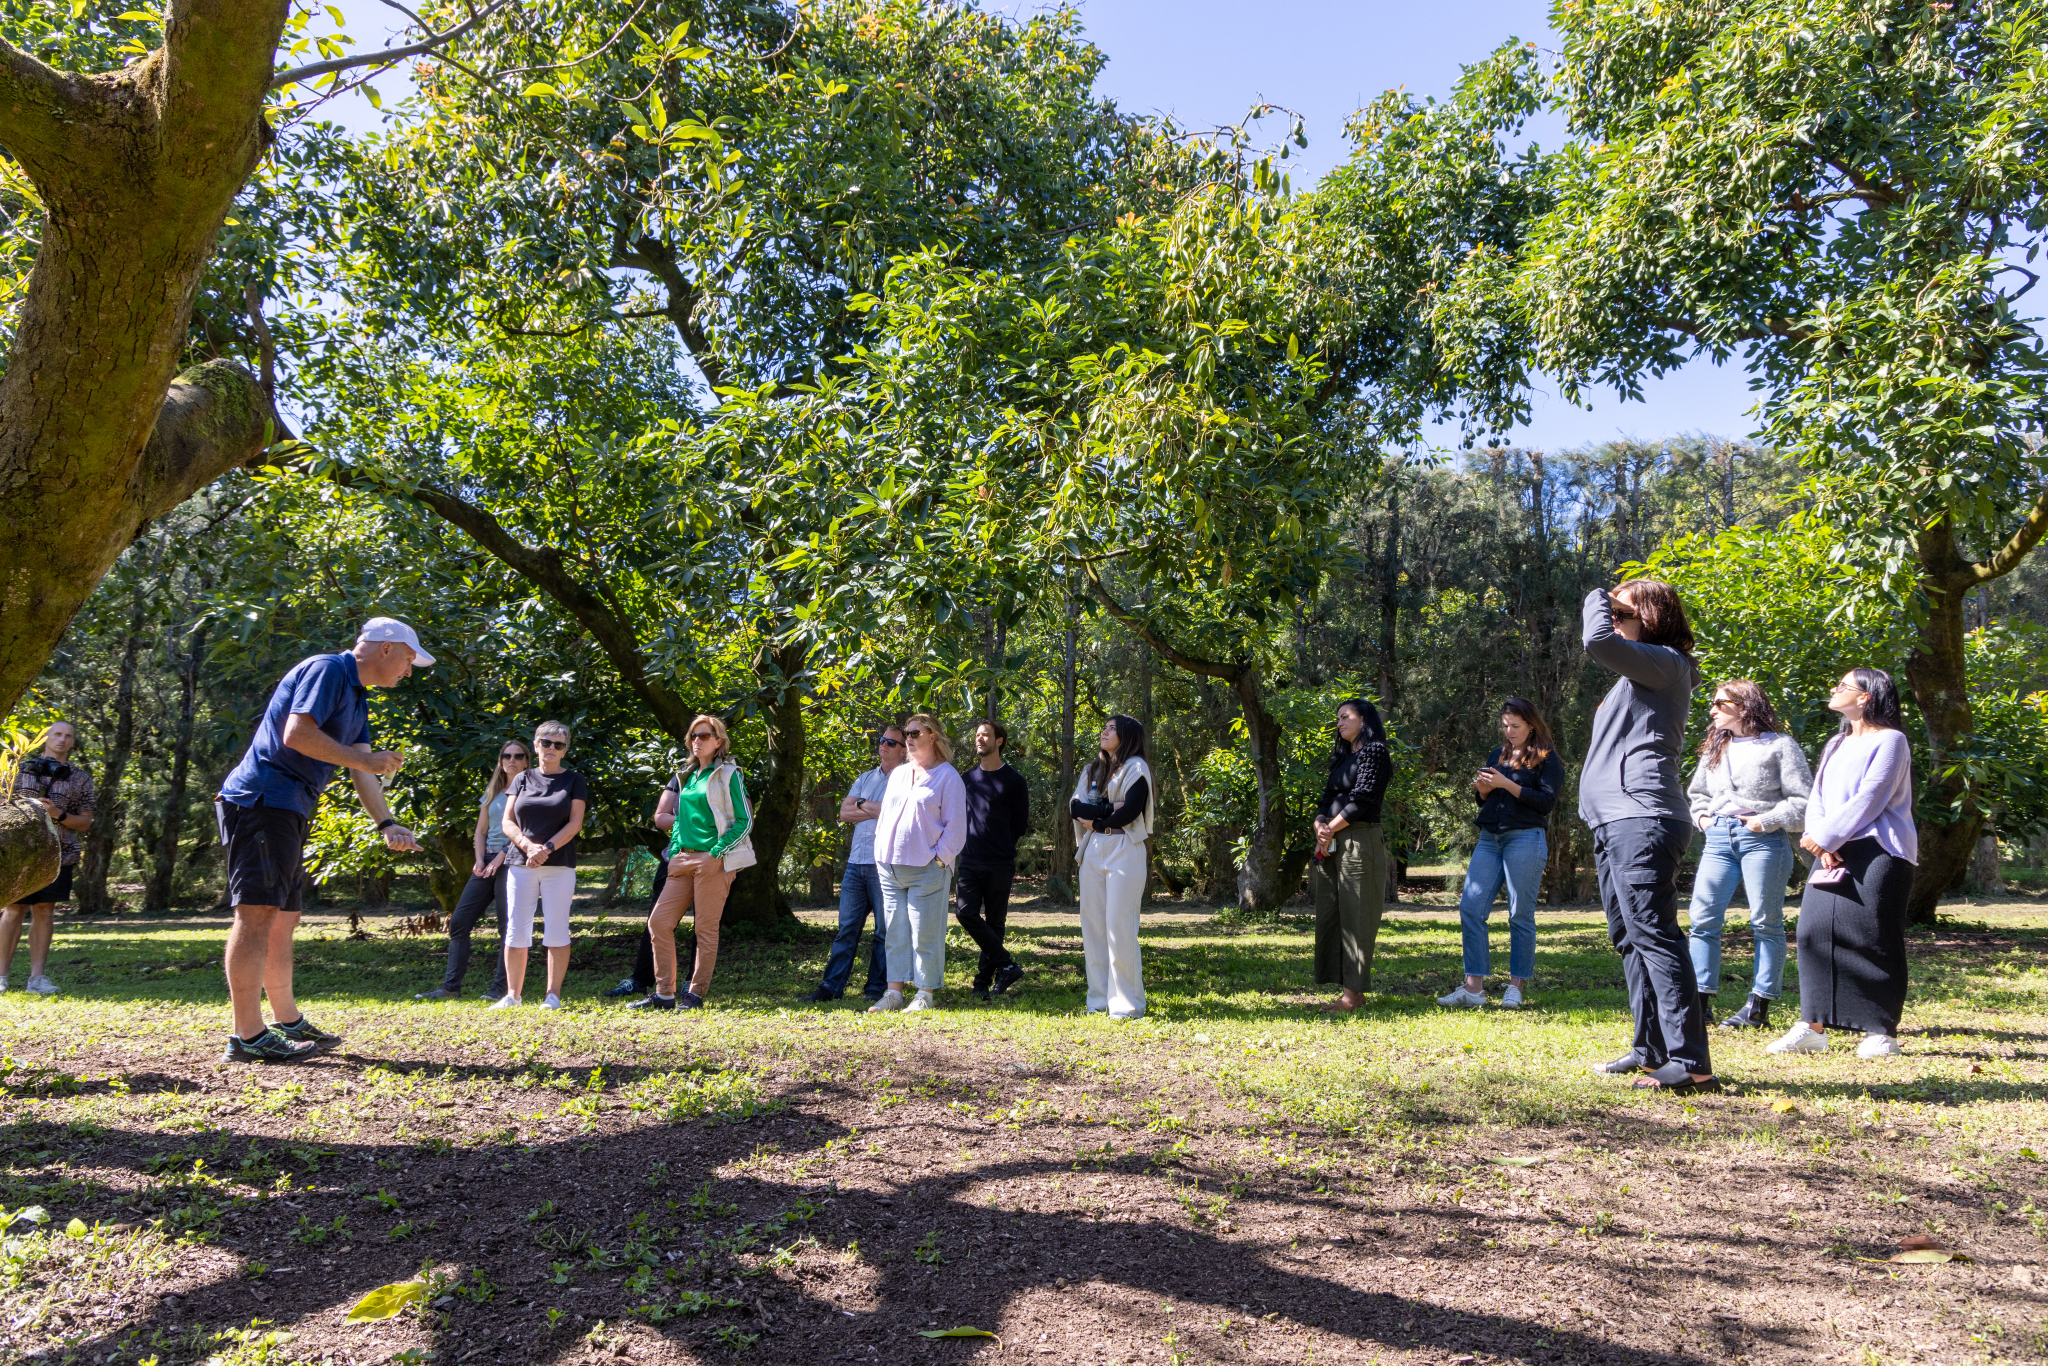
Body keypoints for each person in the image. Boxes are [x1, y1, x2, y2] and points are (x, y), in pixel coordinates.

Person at [216, 618, 428, 1062]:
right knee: (257, 913)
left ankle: (286, 1020)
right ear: (386, 649)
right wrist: (364, 758)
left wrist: (387, 823)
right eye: (409, 660)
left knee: (284, 917)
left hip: (290, 805)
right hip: (262, 800)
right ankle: (247, 1036)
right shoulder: (329, 670)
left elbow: (361, 767)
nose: (409, 671)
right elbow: (297, 735)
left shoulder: (357, 697)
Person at [1581, 581, 1716, 1092]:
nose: (1613, 617)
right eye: (1611, 609)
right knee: (1631, 938)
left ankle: (1690, 1061)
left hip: (1643, 817)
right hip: (1613, 820)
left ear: (1652, 616)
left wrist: (1595, 594)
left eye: (1622, 610)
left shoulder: (1667, 661)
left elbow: (1598, 643)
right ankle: (1650, 1049)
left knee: (1655, 934)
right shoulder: (1640, 672)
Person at [1769, 668, 1916, 1059]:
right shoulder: (1836, 742)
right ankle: (1812, 1026)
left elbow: (1873, 795)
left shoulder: (1892, 741)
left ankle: (1879, 1030)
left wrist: (1828, 837)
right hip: (1830, 849)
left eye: (1843, 686)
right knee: (1812, 932)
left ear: (1866, 697)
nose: (1834, 690)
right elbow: (1816, 795)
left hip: (1879, 849)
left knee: (1873, 937)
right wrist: (1820, 841)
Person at [1685, 680, 1812, 1030]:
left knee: (1765, 922)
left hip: (1763, 841)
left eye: (1719, 703)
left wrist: (1766, 821)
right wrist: (1704, 819)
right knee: (1702, 920)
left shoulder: (1781, 746)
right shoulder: (1715, 747)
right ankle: (1700, 1004)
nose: (1711, 709)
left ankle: (1758, 1008)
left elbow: (1804, 803)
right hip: (1717, 840)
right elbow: (1696, 793)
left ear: (1744, 707)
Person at [1438, 697, 1563, 1010]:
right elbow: (1486, 800)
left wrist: (1506, 783)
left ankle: (1515, 987)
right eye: (1505, 725)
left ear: (1531, 724)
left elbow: (1546, 803)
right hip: (1490, 838)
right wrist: (1482, 791)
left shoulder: (1547, 758)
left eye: (1515, 726)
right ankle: (1473, 989)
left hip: (1525, 838)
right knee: (1470, 907)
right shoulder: (1497, 754)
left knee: (1519, 913)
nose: (1509, 731)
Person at [634, 715, 754, 1011]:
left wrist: (717, 851)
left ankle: (695, 994)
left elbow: (745, 820)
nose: (697, 740)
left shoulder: (729, 774)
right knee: (659, 923)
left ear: (719, 742)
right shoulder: (686, 775)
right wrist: (675, 847)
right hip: (681, 858)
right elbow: (679, 818)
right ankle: (664, 994)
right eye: (693, 736)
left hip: (711, 860)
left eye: (704, 735)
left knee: (705, 929)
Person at [415, 738, 527, 1001]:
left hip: (512, 862)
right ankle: (450, 988)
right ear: (500, 761)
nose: (512, 760)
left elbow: (525, 831)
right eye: (507, 756)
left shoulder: (530, 790)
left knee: (507, 928)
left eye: (518, 756)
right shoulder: (493, 791)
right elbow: (480, 830)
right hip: (486, 860)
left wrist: (501, 857)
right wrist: (479, 859)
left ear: (526, 760)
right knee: (460, 922)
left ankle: (500, 990)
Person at [797, 725, 903, 1004]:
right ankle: (831, 987)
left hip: (885, 864)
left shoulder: (905, 779)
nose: (884, 745)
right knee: (846, 931)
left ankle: (875, 990)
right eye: (882, 740)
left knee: (884, 932)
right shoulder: (865, 777)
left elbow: (894, 812)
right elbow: (844, 813)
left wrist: (863, 805)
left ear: (903, 750)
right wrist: (874, 808)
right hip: (856, 864)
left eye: (892, 743)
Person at [870, 713, 966, 1013]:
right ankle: (893, 993)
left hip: (927, 869)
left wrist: (939, 860)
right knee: (894, 932)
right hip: (889, 867)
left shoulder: (948, 776)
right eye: (907, 734)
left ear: (932, 736)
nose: (908, 739)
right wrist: (879, 852)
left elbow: (956, 827)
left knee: (926, 933)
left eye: (914, 733)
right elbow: (886, 814)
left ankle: (924, 993)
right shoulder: (899, 773)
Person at [496, 720, 588, 1011]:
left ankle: (553, 996)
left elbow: (575, 824)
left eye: (558, 744)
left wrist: (546, 848)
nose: (551, 748)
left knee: (557, 928)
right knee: (516, 928)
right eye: (545, 742)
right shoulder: (521, 779)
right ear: (535, 746)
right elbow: (507, 822)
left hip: (558, 863)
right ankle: (513, 995)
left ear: (565, 749)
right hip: (521, 862)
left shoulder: (575, 780)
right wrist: (527, 847)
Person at [1, 720, 96, 995]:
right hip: (18, 853)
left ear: (73, 741)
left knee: (44, 910)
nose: (62, 740)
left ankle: (37, 978)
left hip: (59, 855)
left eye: (68, 736)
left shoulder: (80, 778)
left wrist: (58, 815)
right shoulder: (17, 769)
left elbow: (85, 822)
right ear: (46, 737)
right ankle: (1, 976)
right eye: (57, 734)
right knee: (13, 909)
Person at [1071, 714, 1154, 1021]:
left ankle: (1126, 1005)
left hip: (1125, 848)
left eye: (1111, 729)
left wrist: (1102, 816)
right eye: (1103, 727)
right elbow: (1076, 807)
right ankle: (1099, 1001)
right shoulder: (1092, 769)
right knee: (1092, 926)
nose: (1103, 732)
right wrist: (1109, 810)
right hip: (1092, 849)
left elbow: (1132, 809)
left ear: (1127, 735)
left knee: (1120, 927)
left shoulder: (1136, 767)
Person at [1311, 699, 1393, 1011]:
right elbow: (1327, 797)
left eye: (1345, 716)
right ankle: (1349, 991)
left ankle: (1352, 995)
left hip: (1359, 840)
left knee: (1358, 916)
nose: (1339, 722)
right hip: (1331, 844)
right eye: (1338, 718)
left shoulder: (1375, 752)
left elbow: (1363, 799)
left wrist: (1329, 828)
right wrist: (1319, 825)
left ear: (1364, 719)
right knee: (1333, 915)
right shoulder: (1343, 756)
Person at [956, 719, 1031, 1001]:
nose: (979, 739)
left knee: (996, 922)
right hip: (970, 859)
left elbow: (1019, 824)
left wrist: (1001, 844)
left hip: (1000, 861)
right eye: (977, 734)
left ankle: (982, 984)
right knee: (965, 913)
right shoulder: (966, 780)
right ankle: (1007, 965)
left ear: (999, 741)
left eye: (985, 735)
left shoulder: (1014, 780)